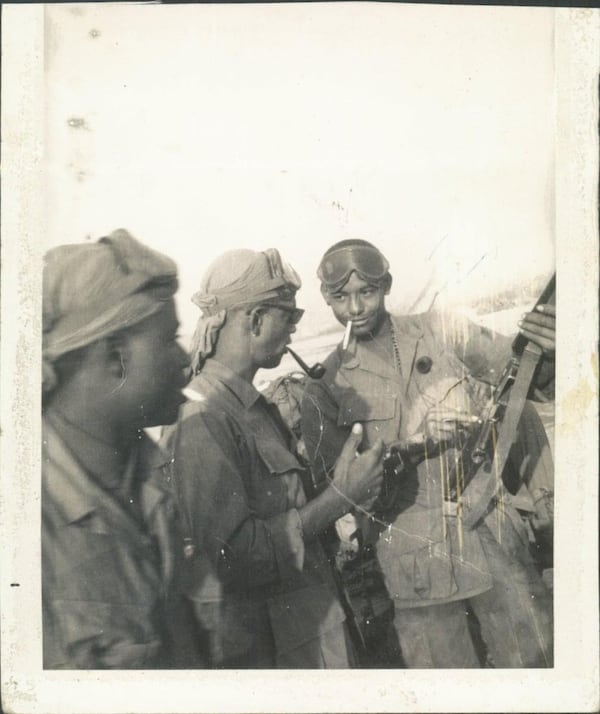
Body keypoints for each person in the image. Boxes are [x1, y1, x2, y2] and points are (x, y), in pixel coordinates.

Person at [301, 239, 555, 668]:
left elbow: (526, 381)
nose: (356, 308)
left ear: (387, 286)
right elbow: (338, 495)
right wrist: (412, 445)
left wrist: (546, 352)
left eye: (367, 292)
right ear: (327, 298)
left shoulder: (439, 330)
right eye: (341, 297)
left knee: (534, 661)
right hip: (414, 563)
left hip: (490, 536)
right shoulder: (325, 387)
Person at [160, 248, 384, 668]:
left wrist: (343, 479)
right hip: (283, 658)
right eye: (289, 318)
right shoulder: (203, 417)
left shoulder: (249, 408)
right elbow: (235, 555)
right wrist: (339, 497)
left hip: (313, 634)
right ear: (257, 319)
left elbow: (284, 506)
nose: (293, 332)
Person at [42, 229, 204, 669]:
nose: (185, 360)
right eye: (168, 338)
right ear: (115, 356)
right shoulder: (28, 527)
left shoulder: (144, 477)